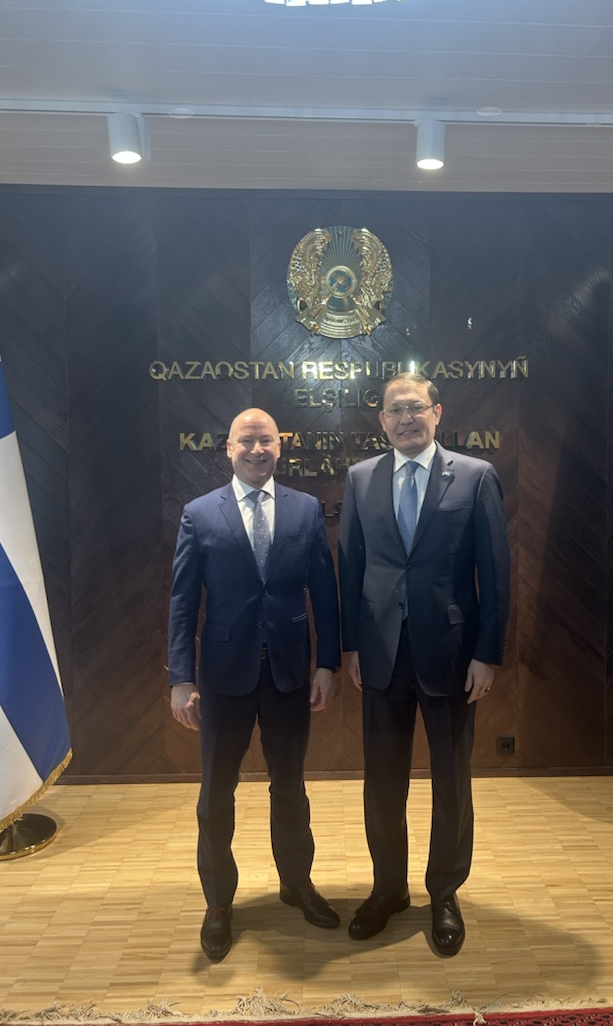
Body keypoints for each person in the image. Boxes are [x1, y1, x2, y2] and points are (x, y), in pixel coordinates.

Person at [338, 372, 510, 956]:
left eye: (416, 407)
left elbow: (496, 573)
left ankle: (444, 893)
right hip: (381, 654)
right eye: (395, 410)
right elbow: (351, 568)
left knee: (451, 780)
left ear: (438, 413)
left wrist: (487, 653)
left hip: (453, 655)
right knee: (382, 782)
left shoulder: (476, 476)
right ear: (382, 420)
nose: (405, 418)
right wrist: (352, 647)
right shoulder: (361, 478)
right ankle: (388, 888)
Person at [169, 408, 341, 963]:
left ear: (279, 446)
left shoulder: (306, 509)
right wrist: (180, 678)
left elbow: (325, 592)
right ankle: (219, 902)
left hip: (290, 674)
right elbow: (182, 603)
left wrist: (328, 664)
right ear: (229, 448)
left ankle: (297, 883)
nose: (257, 449)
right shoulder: (200, 513)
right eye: (246, 440)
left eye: (266, 439)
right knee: (216, 793)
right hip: (223, 678)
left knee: (290, 787)